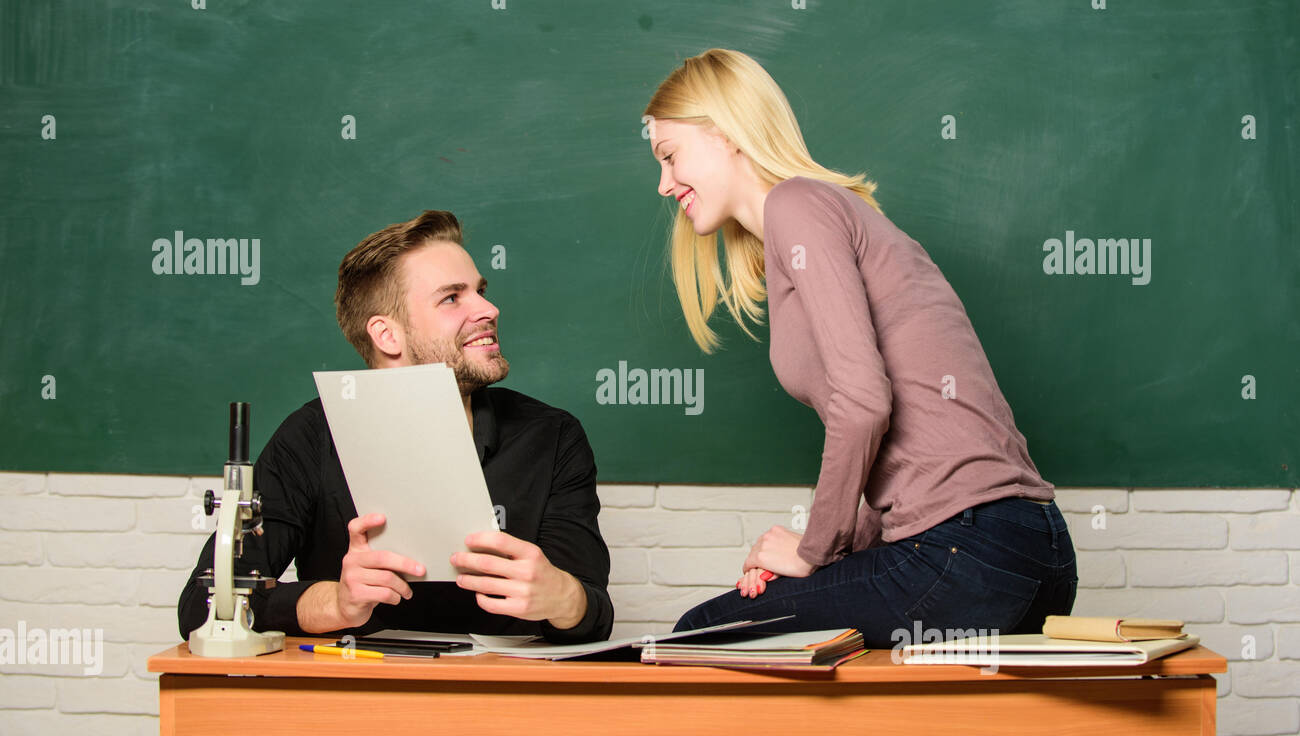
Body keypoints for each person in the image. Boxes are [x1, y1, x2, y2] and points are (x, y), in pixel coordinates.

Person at [644, 49, 1076, 647]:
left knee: (702, 634)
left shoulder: (797, 204)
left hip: (969, 551)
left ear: (723, 132)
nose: (664, 184)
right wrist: (828, 556)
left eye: (669, 156)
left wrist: (812, 547)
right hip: (1030, 552)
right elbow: (890, 440)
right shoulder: (816, 222)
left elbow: (865, 402)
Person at [177, 210, 613, 643]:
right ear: (387, 335)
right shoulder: (311, 436)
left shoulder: (552, 436)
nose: (489, 308)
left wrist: (563, 598)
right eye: (452, 298)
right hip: (359, 702)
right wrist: (337, 603)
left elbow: (594, 615)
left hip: (506, 702)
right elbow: (202, 607)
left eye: (480, 290)